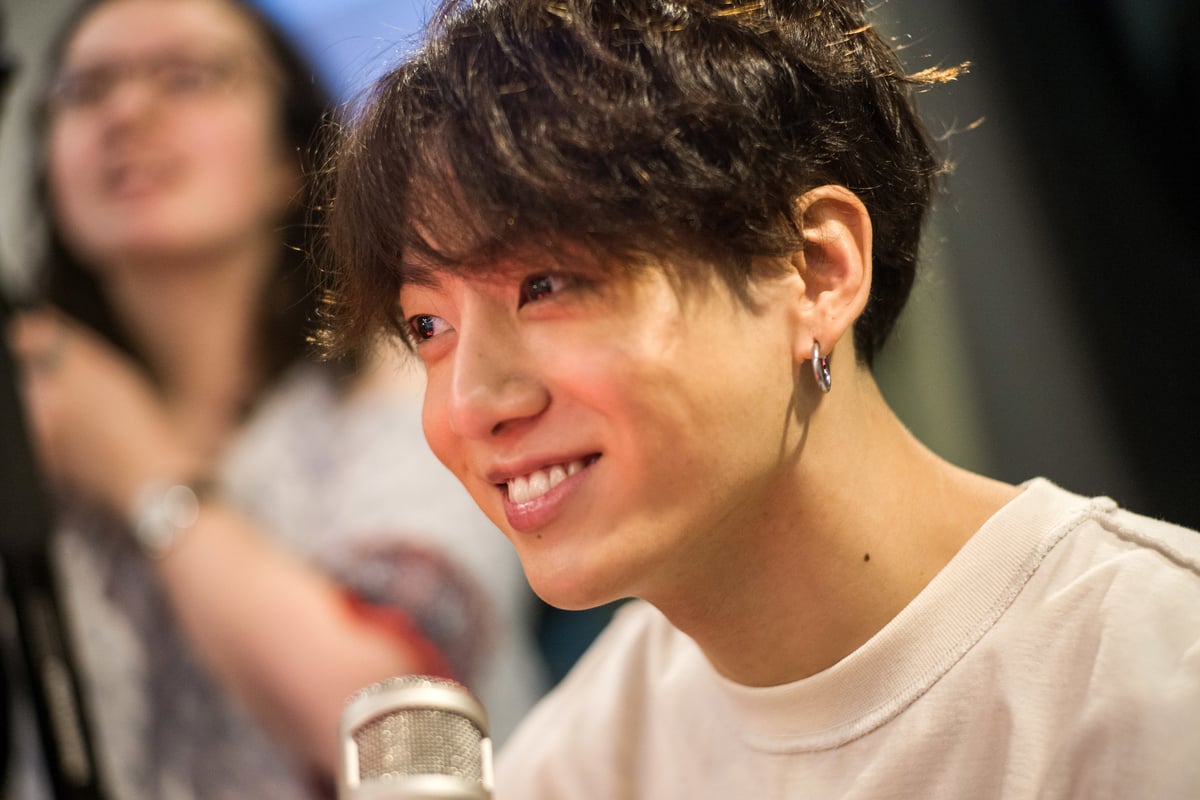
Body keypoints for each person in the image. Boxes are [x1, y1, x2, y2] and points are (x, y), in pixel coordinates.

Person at [318, 0, 1200, 797]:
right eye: (429, 327)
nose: (473, 404)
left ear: (815, 271)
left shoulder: (1151, 673)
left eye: (546, 285)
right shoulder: (596, 748)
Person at [3, 0, 545, 797]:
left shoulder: (411, 378)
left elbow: (390, 731)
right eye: (84, 89)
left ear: (293, 160)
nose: (125, 112)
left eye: (188, 77)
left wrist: (142, 469)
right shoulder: (26, 418)